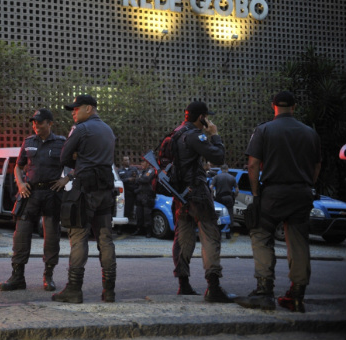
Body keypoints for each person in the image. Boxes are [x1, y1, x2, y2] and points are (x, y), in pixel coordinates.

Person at [236, 91, 321, 313]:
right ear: (294, 107)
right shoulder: (310, 133)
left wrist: (256, 195)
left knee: (261, 234)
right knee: (298, 241)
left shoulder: (264, 130)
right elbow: (317, 165)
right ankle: (297, 295)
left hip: (274, 193)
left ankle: (264, 291)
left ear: (274, 106)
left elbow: (253, 165)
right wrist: (306, 184)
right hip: (302, 192)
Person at [52, 95, 117, 304]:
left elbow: (64, 158)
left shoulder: (81, 129)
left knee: (78, 237)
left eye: (76, 109)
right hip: (106, 190)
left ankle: (73, 289)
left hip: (85, 191)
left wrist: (76, 158)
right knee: (105, 240)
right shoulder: (108, 130)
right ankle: (109, 291)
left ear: (89, 108)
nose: (73, 113)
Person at [169, 101, 233, 302]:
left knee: (183, 237)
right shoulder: (195, 135)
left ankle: (184, 285)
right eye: (207, 117)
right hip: (197, 192)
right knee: (210, 235)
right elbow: (219, 157)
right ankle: (213, 287)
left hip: (180, 195)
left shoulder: (176, 133)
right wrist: (214, 134)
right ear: (201, 118)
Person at [0, 108, 69, 293]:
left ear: (50, 123)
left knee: (51, 237)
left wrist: (66, 179)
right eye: (34, 123)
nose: (35, 125)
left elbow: (75, 164)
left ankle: (48, 276)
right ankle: (17, 277)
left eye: (39, 122)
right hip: (30, 193)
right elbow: (18, 167)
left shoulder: (62, 143)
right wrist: (20, 183)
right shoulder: (28, 142)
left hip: (52, 193)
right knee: (21, 235)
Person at [133, 157, 156, 238]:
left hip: (147, 196)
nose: (142, 164)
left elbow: (146, 179)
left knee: (147, 215)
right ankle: (139, 229)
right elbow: (136, 180)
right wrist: (139, 179)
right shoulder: (141, 171)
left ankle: (148, 231)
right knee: (139, 214)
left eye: (143, 162)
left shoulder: (151, 170)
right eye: (141, 162)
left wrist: (139, 179)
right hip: (139, 195)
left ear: (148, 163)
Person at [117, 156, 139, 226]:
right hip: (122, 194)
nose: (127, 161)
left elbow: (138, 178)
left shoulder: (133, 169)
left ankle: (129, 225)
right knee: (121, 210)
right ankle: (120, 227)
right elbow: (118, 181)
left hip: (131, 193)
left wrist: (135, 177)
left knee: (130, 210)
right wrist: (127, 179)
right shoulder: (119, 171)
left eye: (128, 160)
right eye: (125, 160)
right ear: (122, 162)